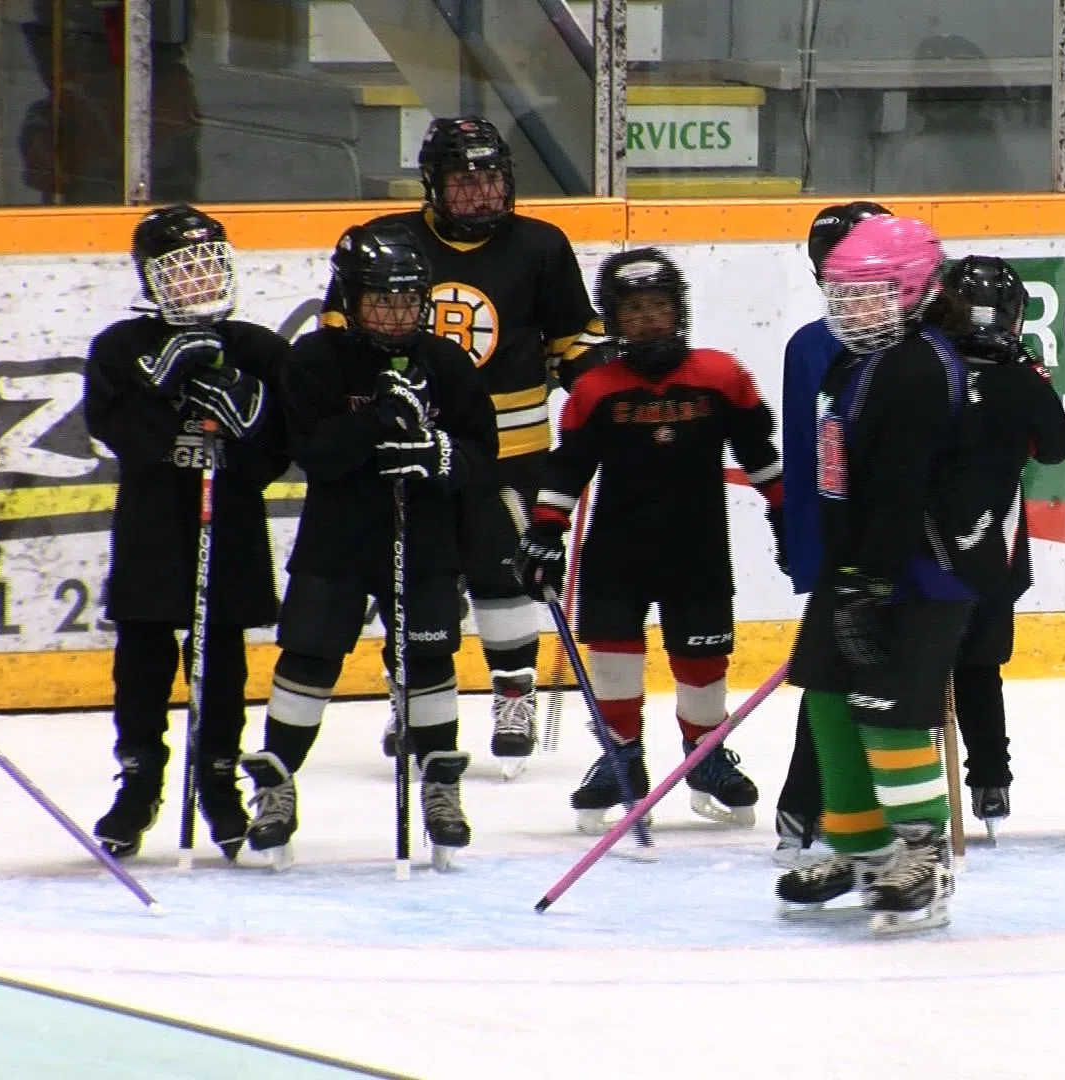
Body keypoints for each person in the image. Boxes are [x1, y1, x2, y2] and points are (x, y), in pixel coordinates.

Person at [333, 116, 605, 775]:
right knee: (413, 581)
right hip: (412, 449)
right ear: (432, 184)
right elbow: (341, 337)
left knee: (504, 577)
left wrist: (600, 393)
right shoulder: (388, 242)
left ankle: (513, 694)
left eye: (492, 179)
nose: (483, 193)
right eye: (465, 181)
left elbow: (574, 339)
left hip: (512, 453)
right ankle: (413, 696)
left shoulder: (540, 245)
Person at [243, 223, 498, 870]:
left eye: (408, 300)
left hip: (425, 540)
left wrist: (435, 454)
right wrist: (374, 421)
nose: (397, 314)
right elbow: (315, 453)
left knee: (428, 659)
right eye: (382, 300)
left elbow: (481, 456)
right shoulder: (314, 359)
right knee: (309, 657)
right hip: (337, 540)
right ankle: (277, 784)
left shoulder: (447, 363)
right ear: (351, 299)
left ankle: (439, 783)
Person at [515, 249, 783, 839]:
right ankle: (621, 758)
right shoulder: (595, 388)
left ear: (678, 310)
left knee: (702, 662)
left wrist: (788, 517)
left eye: (658, 307)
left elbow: (760, 455)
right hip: (617, 553)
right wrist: (544, 532)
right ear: (614, 320)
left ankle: (706, 755)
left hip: (698, 550)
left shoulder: (721, 376)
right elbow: (568, 468)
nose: (647, 320)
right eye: (633, 311)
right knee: (614, 661)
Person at [772, 214, 986, 934]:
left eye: (869, 293)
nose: (852, 307)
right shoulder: (859, 362)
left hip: (915, 575)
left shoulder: (918, 368)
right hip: (857, 567)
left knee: (887, 710)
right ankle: (860, 847)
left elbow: (900, 489)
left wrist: (869, 583)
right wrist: (840, 573)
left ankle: (923, 856)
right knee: (829, 700)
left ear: (916, 291)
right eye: (843, 294)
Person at [81, 205, 292, 861]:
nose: (198, 281)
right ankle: (139, 782)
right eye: (181, 270)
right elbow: (116, 431)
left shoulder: (259, 349)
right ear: (151, 278)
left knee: (220, 657)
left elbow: (278, 453)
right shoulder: (121, 346)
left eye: (208, 267)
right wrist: (161, 386)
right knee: (143, 655)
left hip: (229, 525)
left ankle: (218, 781)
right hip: (151, 526)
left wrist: (248, 424)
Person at [774, 200, 891, 867]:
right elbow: (806, 455)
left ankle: (883, 810)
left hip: (903, 545)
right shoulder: (812, 347)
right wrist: (810, 550)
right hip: (847, 547)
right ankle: (805, 805)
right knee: (833, 676)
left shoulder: (918, 341)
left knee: (886, 681)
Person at [939, 255, 1065, 838]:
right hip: (994, 549)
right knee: (979, 669)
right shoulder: (1020, 376)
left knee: (918, 669)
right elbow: (1055, 448)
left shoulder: (922, 366)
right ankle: (990, 782)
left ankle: (910, 789)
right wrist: (1028, 381)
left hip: (926, 546)